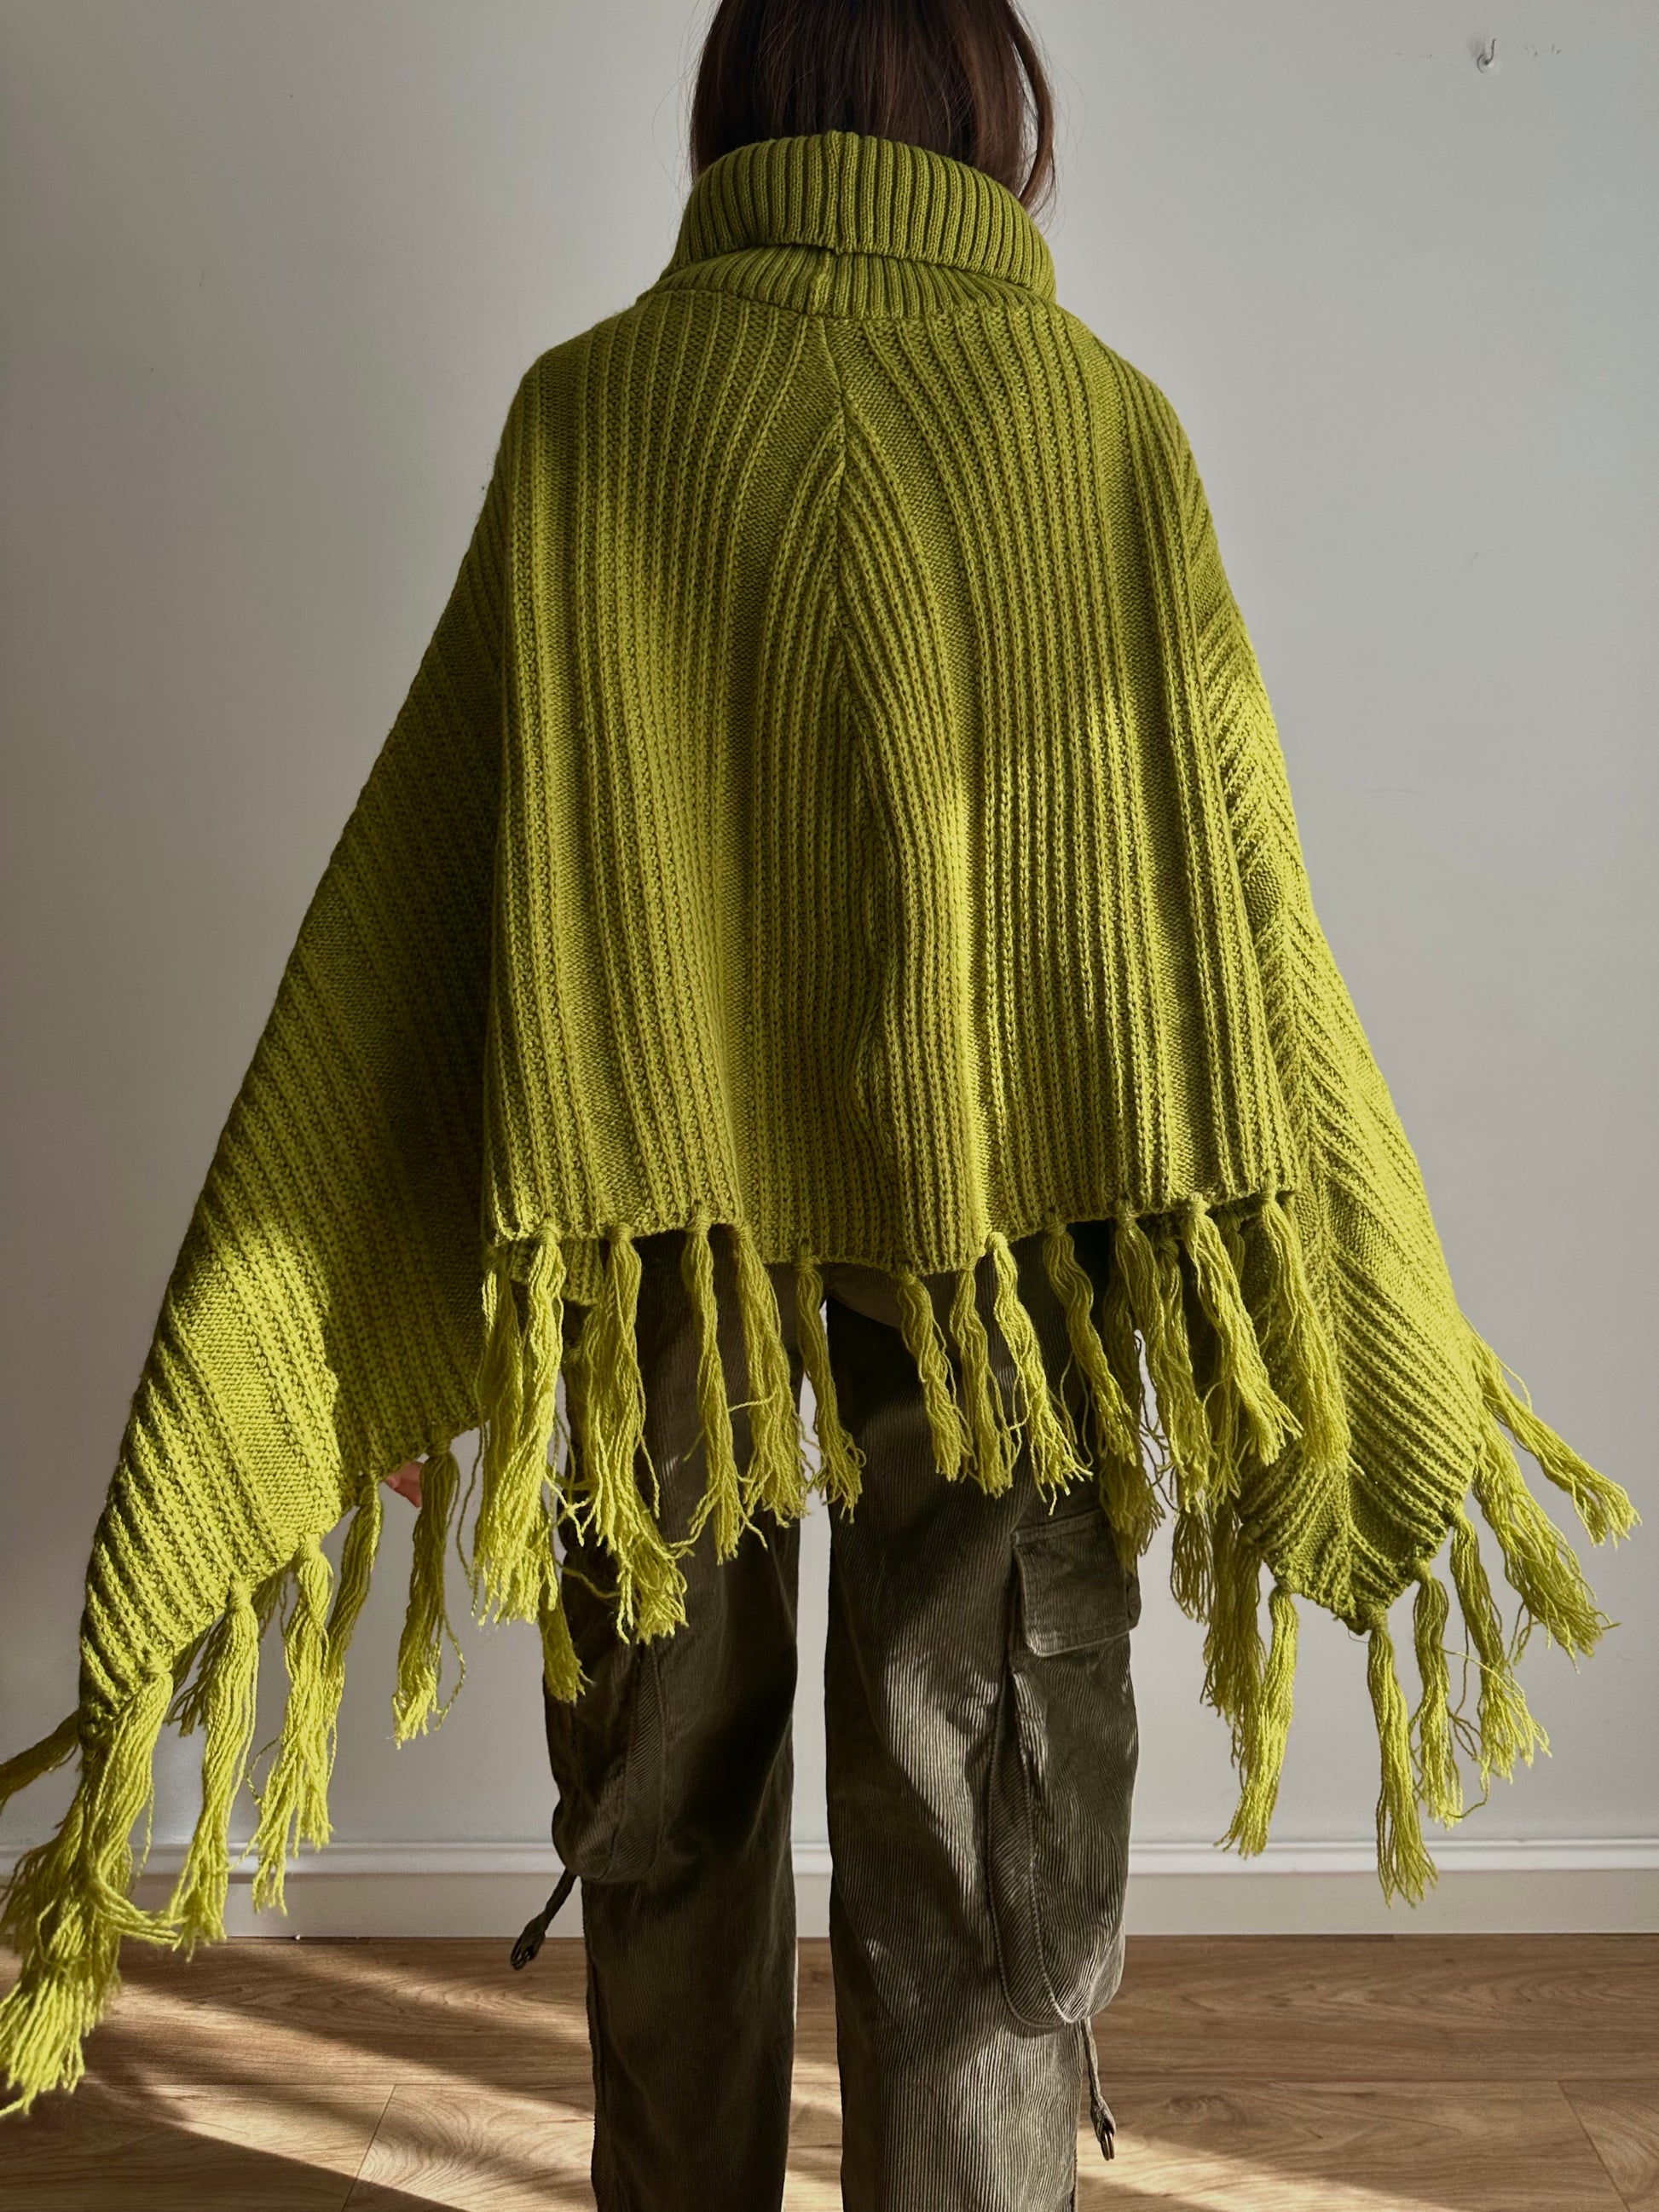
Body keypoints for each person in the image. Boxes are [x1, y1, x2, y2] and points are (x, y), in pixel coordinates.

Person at [0, 1, 1632, 2203]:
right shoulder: (1096, 423)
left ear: (736, 104)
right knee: (988, 1792)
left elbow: (436, 891)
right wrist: (1345, 1289)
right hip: (1011, 1236)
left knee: (661, 1795)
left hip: (657, 1239)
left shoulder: (595, 413)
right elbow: (1237, 911)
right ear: (993, 113)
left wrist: (395, 1235)